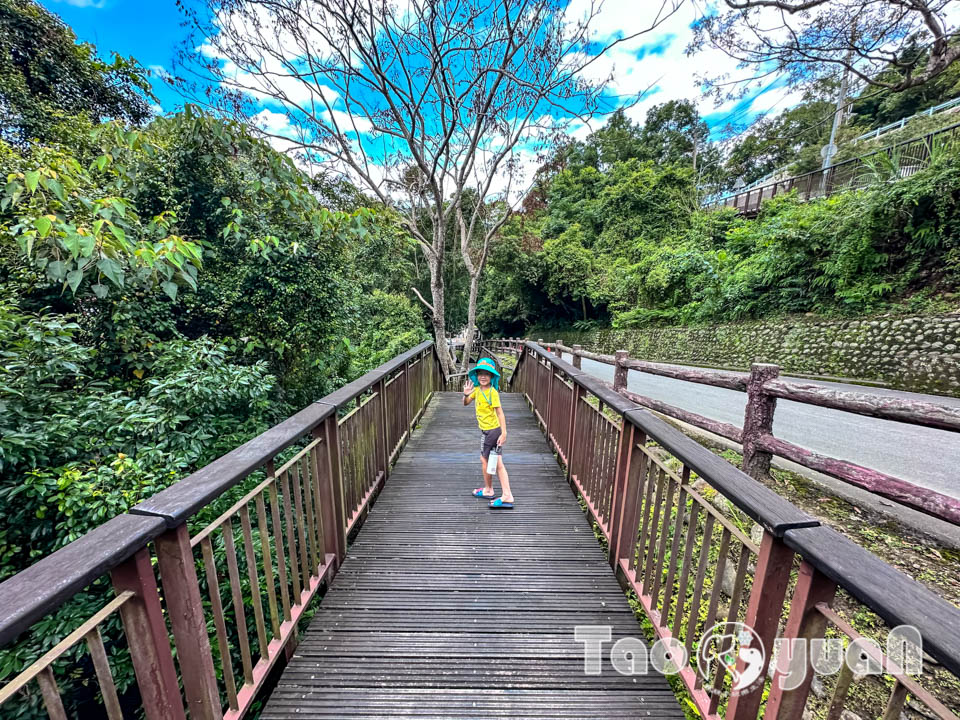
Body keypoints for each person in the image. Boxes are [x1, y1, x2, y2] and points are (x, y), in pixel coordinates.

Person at [462, 357, 514, 509]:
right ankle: (493, 490)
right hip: (487, 431)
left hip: (492, 431)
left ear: (492, 377)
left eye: (487, 373)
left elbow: (500, 413)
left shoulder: (492, 392)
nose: (483, 376)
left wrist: (504, 433)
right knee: (494, 462)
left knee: (489, 461)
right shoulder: (477, 390)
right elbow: (466, 403)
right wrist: (466, 394)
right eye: (480, 373)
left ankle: (497, 492)